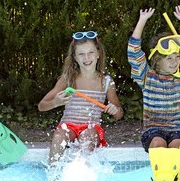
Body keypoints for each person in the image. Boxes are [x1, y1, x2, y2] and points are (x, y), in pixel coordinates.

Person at [38, 30, 124, 164]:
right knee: (60, 135)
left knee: (88, 135)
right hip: (68, 127)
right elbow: (41, 106)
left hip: (91, 128)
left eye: (91, 52)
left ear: (98, 54)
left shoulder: (106, 82)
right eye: (81, 54)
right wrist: (55, 102)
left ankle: (85, 172)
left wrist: (114, 110)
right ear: (75, 58)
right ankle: (53, 173)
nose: (86, 58)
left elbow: (119, 114)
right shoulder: (68, 79)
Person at [127, 6, 180, 152]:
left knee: (176, 146)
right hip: (153, 130)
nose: (175, 62)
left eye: (177, 57)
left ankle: (173, 167)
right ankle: (161, 167)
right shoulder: (146, 76)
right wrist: (142, 20)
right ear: (157, 60)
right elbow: (133, 53)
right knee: (158, 143)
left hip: (179, 129)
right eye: (169, 58)